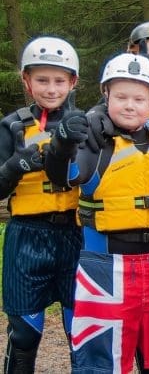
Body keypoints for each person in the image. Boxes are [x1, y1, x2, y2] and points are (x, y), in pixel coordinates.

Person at [45, 53, 149, 373]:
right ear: (105, 94)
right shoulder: (92, 142)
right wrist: (62, 143)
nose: (129, 105)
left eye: (139, 98)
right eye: (120, 96)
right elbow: (63, 176)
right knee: (102, 362)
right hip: (105, 268)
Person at [0, 36, 83, 372]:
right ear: (27, 80)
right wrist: (15, 166)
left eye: (59, 81)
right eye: (42, 80)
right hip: (26, 237)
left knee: (80, 330)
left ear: (73, 82)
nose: (51, 89)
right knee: (23, 333)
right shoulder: (12, 126)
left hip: (75, 236)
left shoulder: (84, 124)